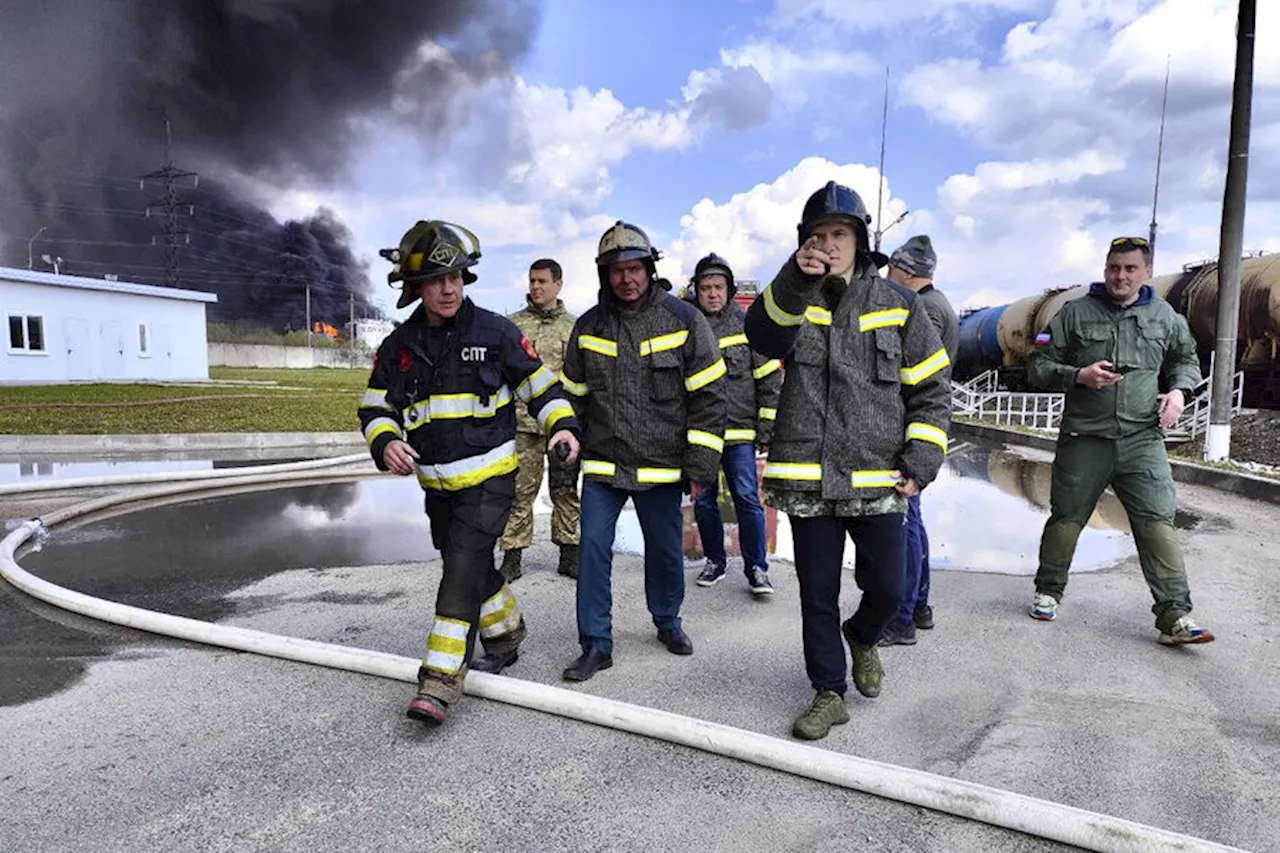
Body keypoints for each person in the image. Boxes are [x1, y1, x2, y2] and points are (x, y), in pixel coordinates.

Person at [744, 182, 951, 740]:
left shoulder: (899, 305)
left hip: (878, 474)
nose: (828, 245)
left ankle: (862, 635)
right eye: (818, 236)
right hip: (808, 477)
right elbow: (760, 336)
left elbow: (932, 388)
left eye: (839, 235)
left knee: (889, 584)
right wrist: (795, 276)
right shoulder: (791, 298)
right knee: (816, 592)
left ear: (860, 243)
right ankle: (828, 692)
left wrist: (923, 456)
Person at [357, 219, 581, 726]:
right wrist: (387, 441)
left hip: (491, 481)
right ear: (416, 287)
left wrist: (563, 429)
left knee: (458, 570)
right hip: (438, 488)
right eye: (436, 281)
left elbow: (542, 390)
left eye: (456, 276)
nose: (449, 287)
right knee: (473, 566)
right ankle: (506, 634)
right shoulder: (399, 347)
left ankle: (439, 680)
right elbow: (374, 408)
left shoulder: (497, 333)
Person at [558, 221, 727, 682]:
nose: (626, 278)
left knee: (666, 552)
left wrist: (701, 464)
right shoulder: (588, 327)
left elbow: (710, 397)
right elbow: (571, 395)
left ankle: (668, 622)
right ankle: (596, 643)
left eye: (634, 268)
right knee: (591, 548)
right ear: (603, 275)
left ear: (650, 269)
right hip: (602, 464)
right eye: (616, 271)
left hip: (662, 464)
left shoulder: (684, 320)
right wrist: (565, 434)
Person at [1026, 236, 1213, 646]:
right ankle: (1048, 591)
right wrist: (1078, 375)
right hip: (1085, 438)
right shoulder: (1073, 314)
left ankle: (1175, 617)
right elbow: (1037, 365)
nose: (1120, 276)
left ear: (1146, 272)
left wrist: (1180, 392)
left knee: (1156, 522)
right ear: (1105, 268)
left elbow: (1186, 360)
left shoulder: (1165, 316)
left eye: (1130, 268)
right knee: (1067, 519)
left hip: (1141, 439)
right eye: (1114, 267)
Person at [684, 252, 781, 596]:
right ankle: (715, 562)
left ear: (729, 289)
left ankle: (757, 569)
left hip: (740, 432)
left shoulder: (748, 327)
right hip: (701, 435)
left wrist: (767, 427)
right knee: (705, 501)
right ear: (697, 290)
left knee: (746, 498)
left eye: (718, 287)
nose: (712, 293)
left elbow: (769, 377)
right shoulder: (689, 328)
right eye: (706, 287)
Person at [879, 235, 959, 645]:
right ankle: (920, 605)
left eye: (891, 270)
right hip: (919, 429)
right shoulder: (941, 303)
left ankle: (903, 616)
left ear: (905, 272)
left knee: (905, 523)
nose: (886, 279)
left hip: (910, 430)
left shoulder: (921, 308)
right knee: (916, 520)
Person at [499, 258, 581, 581]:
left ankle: (569, 553)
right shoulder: (511, 326)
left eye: (542, 281)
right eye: (532, 281)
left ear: (558, 284)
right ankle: (512, 557)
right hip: (522, 424)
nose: (535, 287)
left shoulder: (574, 327)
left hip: (561, 427)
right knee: (519, 491)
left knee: (565, 489)